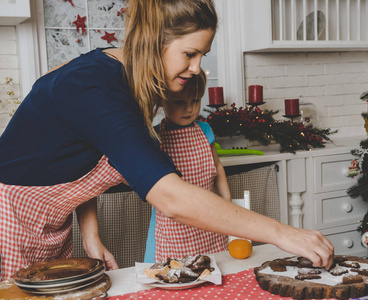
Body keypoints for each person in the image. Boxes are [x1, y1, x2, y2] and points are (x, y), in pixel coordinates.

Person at [0, 0, 334, 281]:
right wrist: (282, 233)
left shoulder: (129, 84)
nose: (196, 67)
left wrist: (90, 234)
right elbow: (172, 199)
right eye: (190, 53)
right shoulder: (95, 87)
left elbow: (80, 157)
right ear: (152, 40)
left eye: (202, 55)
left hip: (52, 224)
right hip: (9, 220)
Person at [144, 70, 230, 263]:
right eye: (179, 102)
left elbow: (217, 166)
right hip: (175, 221)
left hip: (209, 214)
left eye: (195, 101)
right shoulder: (156, 136)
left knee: (211, 265)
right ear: (162, 102)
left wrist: (226, 199)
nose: (189, 109)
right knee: (175, 270)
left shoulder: (205, 130)